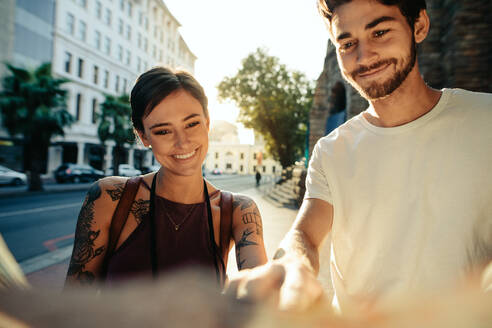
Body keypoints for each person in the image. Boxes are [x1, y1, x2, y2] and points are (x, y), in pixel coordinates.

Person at [226, 0, 492, 313]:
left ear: (419, 25)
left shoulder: (484, 119)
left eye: (380, 32)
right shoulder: (331, 150)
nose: (364, 57)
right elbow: (305, 234)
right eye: (347, 43)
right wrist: (291, 266)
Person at [65, 67, 267, 287]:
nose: (183, 142)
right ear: (143, 136)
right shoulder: (109, 198)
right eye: (163, 131)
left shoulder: (238, 210)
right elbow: (73, 303)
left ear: (208, 123)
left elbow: (261, 289)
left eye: (192, 124)